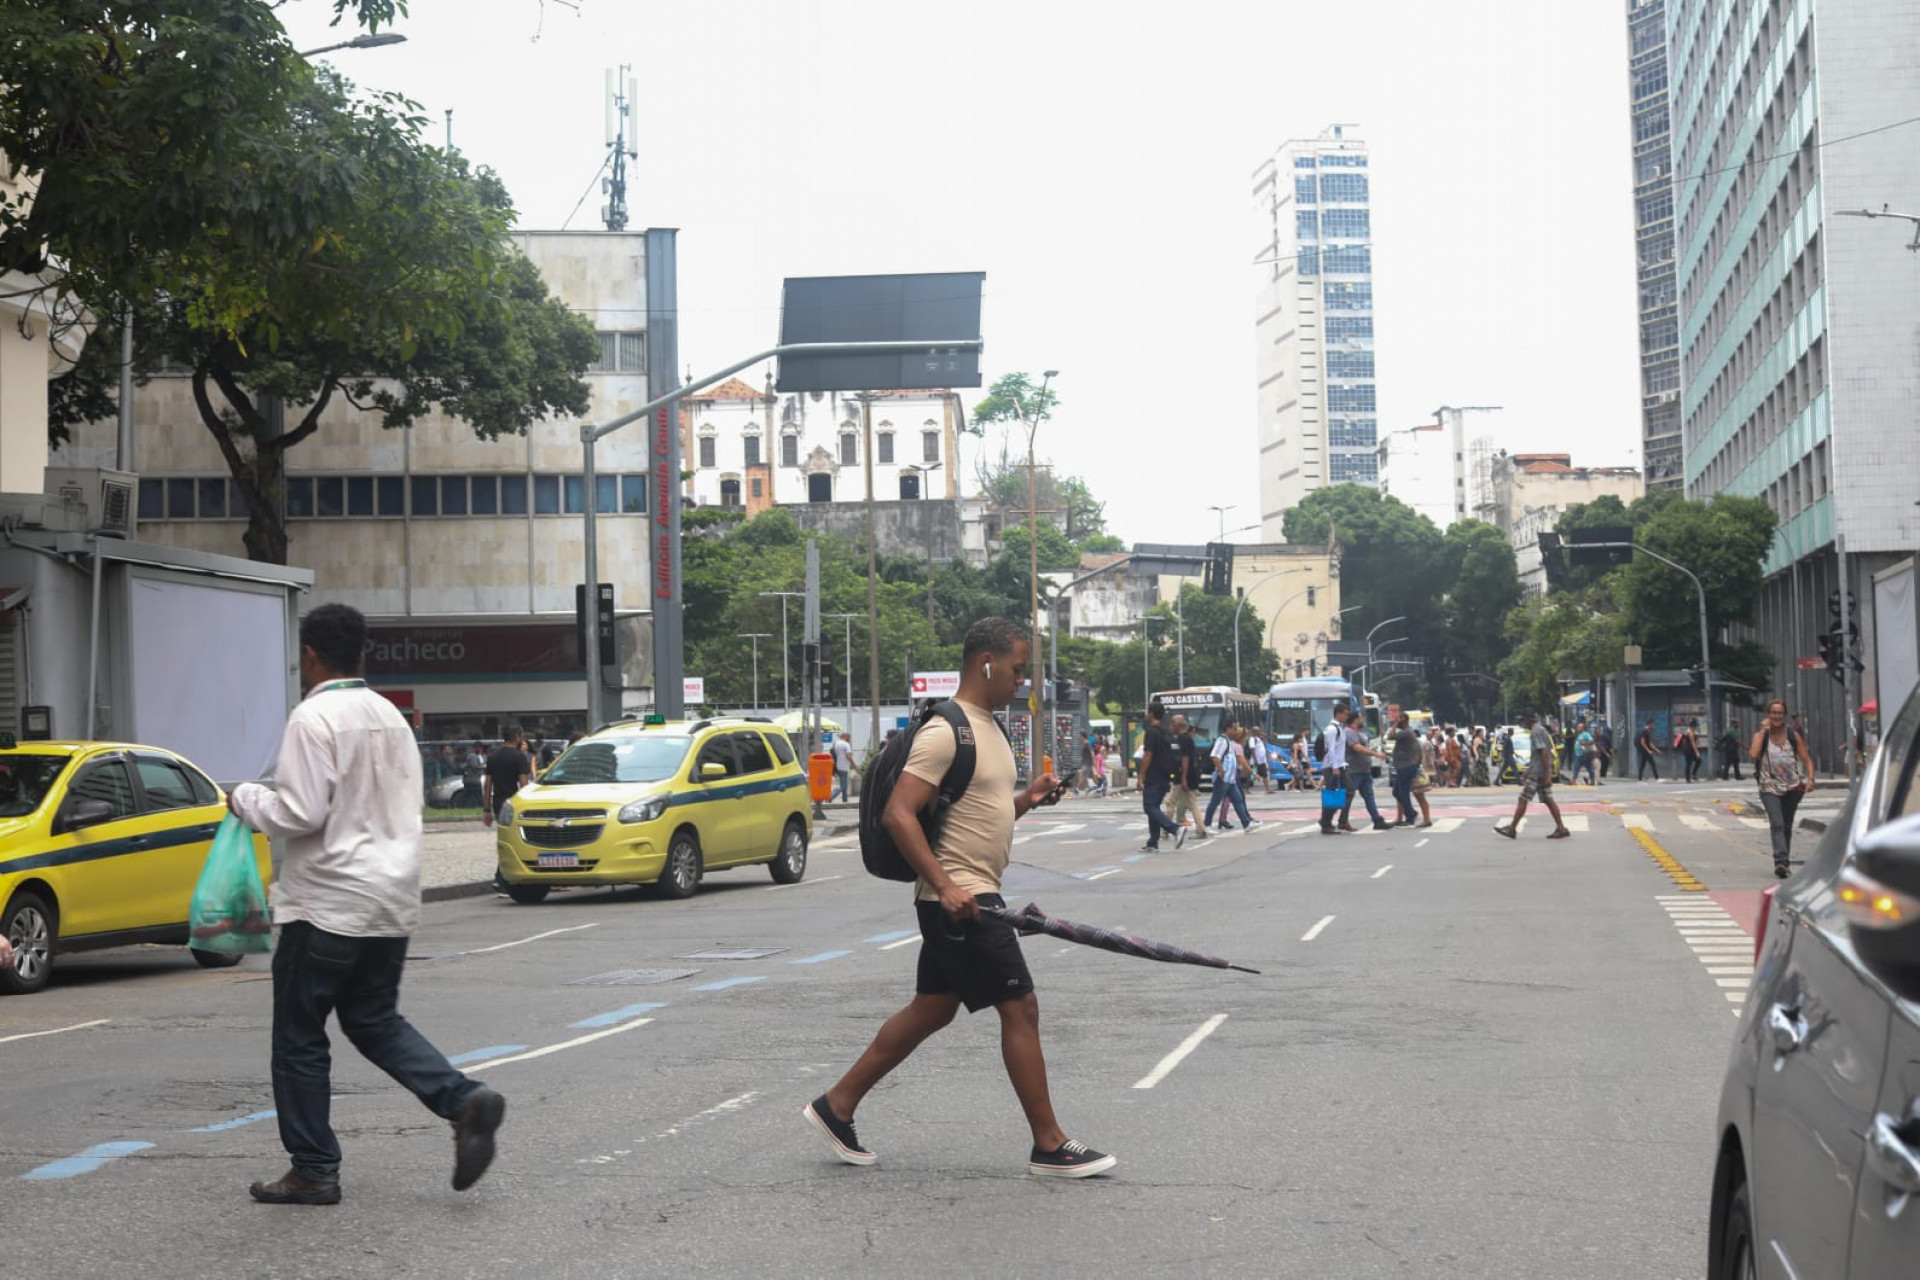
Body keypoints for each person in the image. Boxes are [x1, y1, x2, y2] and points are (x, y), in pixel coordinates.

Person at [802, 617, 1114, 1179]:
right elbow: (899, 814)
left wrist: (1026, 801)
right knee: (1020, 1007)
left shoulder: (989, 727)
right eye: (1018, 669)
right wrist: (945, 885)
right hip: (960, 898)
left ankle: (836, 1104)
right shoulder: (947, 730)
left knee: (933, 1008)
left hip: (965, 893)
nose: (1023, 681)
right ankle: (1049, 1143)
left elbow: (975, 815)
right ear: (986, 663)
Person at [227, 603, 506, 1207]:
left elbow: (299, 811)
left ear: (309, 655)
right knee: (374, 1020)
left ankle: (313, 1168)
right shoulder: (389, 716)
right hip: (391, 898)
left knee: (299, 1037)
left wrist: (245, 799)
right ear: (363, 653)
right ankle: (462, 1101)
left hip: (326, 902)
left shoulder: (313, 716)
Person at [1751, 699, 1816, 879]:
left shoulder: (1792, 735)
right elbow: (1754, 754)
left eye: (1780, 713)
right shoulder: (1762, 735)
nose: (1776, 716)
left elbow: (1807, 759)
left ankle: (1784, 863)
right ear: (1768, 715)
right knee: (1777, 823)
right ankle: (1780, 860)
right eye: (1773, 713)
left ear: (1784, 716)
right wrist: (1764, 730)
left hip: (1793, 787)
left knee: (1786, 825)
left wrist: (1811, 779)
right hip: (1768, 786)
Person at [1493, 711, 1571, 840]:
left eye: (1522, 720)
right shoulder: (1540, 729)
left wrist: (1546, 775)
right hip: (1538, 770)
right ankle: (1561, 828)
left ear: (1529, 719)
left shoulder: (1536, 731)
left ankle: (1512, 829)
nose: (1522, 723)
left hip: (1537, 773)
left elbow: (1544, 753)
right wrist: (1529, 769)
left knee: (1523, 799)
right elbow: (1538, 755)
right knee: (1548, 799)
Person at [1136, 703, 1186, 852]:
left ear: (1151, 713)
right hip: (1165, 776)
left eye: (1147, 712)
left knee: (1149, 807)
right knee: (1154, 807)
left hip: (1154, 776)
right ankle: (1153, 842)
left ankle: (1175, 829)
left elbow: (1148, 755)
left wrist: (1141, 776)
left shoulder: (1151, 732)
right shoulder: (1166, 732)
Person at [1339, 714, 1392, 831]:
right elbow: (1357, 748)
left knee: (1368, 796)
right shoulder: (1349, 732)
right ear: (1356, 720)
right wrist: (1376, 754)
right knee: (1348, 796)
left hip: (1363, 770)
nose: (1363, 720)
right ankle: (1339, 820)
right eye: (1361, 718)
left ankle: (1377, 820)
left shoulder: (1356, 732)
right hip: (1354, 771)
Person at [1161, 716, 1209, 840]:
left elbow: (1185, 759)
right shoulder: (1185, 738)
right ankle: (1201, 830)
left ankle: (1166, 829)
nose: (1171, 725)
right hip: (1188, 775)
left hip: (1183, 776)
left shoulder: (1183, 739)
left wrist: (1183, 778)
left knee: (1170, 802)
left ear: (1179, 725)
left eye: (1173, 723)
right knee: (1192, 803)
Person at [1205, 726, 1258, 832]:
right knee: (1215, 801)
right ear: (1228, 729)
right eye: (1234, 729)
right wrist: (1221, 770)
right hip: (1223, 778)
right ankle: (1207, 825)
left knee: (1238, 800)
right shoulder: (1222, 741)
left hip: (1230, 779)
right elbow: (1215, 756)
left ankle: (1246, 824)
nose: (1235, 732)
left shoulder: (1229, 741)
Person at [1318, 711, 1350, 836]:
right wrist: (1334, 766)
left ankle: (1326, 821)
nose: (1346, 717)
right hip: (1333, 767)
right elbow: (1331, 748)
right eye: (1345, 714)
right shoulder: (1332, 729)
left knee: (1345, 792)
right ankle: (1325, 823)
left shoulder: (1339, 728)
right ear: (1339, 714)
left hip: (1339, 765)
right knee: (1332, 796)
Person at [1387, 712, 1421, 826]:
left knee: (1402, 792)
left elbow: (1389, 736)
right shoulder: (1405, 732)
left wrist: (1395, 724)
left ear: (1404, 720)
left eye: (1400, 719)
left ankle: (1410, 815)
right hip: (1402, 766)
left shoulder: (1406, 732)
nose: (1397, 722)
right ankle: (1410, 812)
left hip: (1406, 766)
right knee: (1397, 792)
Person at [830, 732, 857, 803]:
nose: (850, 739)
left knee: (843, 784)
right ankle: (831, 797)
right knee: (844, 786)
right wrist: (855, 766)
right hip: (843, 767)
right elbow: (848, 756)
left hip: (837, 767)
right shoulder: (846, 744)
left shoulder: (836, 744)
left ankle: (845, 800)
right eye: (849, 737)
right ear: (846, 737)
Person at [1636, 717, 1664, 782]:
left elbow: (1650, 743)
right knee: (1652, 764)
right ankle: (1657, 778)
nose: (1653, 726)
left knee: (1643, 765)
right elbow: (1642, 742)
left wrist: (1656, 750)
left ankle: (1639, 779)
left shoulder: (1647, 731)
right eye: (1653, 724)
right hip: (1645, 751)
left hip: (1645, 751)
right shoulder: (1645, 731)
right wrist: (1648, 750)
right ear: (1650, 724)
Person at [1678, 717, 1703, 783]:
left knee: (1698, 761)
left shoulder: (1690, 731)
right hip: (1689, 749)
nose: (1695, 727)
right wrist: (1697, 752)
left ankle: (1693, 775)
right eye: (1695, 726)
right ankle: (1688, 778)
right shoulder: (1690, 732)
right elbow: (1692, 743)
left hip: (1689, 749)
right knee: (1689, 763)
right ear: (1693, 725)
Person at [1575, 722, 1598, 786]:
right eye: (1578, 727)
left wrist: (1586, 743)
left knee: (1578, 767)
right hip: (1580, 754)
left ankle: (1573, 780)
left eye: (1580, 727)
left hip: (1584, 754)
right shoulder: (1580, 735)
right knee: (1587, 767)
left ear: (1583, 728)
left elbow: (1591, 741)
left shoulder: (1586, 734)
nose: (1578, 728)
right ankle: (1592, 780)